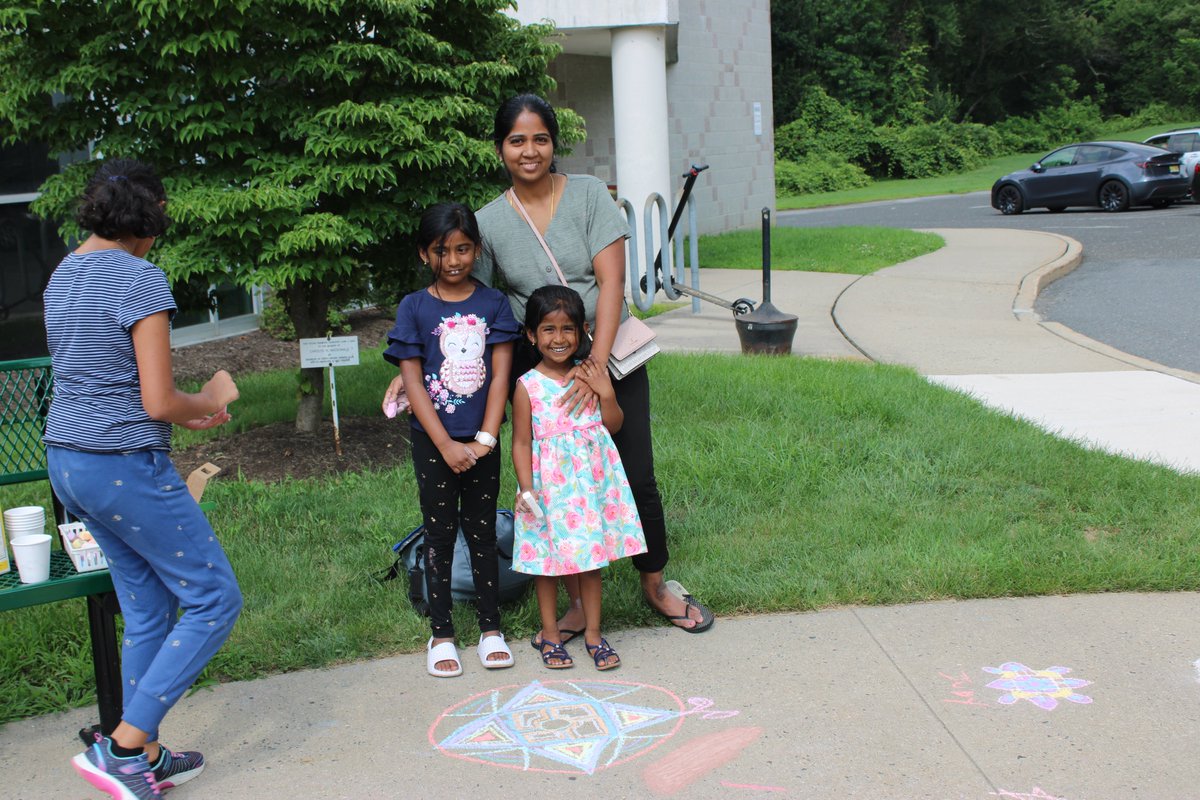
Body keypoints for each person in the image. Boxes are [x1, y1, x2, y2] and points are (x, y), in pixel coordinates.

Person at [476, 93, 714, 636]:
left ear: (553, 144)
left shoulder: (587, 195)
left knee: (636, 474)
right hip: (544, 371)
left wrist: (597, 366)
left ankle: (655, 583)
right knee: (559, 486)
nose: (529, 151)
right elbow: (480, 303)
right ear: (500, 148)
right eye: (517, 141)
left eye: (540, 139)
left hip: (608, 357)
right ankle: (580, 601)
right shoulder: (488, 222)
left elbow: (611, 282)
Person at [43, 158, 242, 800]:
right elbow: (158, 401)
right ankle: (123, 748)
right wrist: (209, 399)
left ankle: (146, 754)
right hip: (121, 466)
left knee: (149, 607)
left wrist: (185, 411)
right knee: (215, 598)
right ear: (150, 218)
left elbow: (104, 379)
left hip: (67, 462)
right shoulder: (139, 278)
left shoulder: (63, 273)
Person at [382, 202, 519, 678]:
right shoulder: (414, 307)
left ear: (476, 250)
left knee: (482, 532)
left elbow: (500, 377)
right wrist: (444, 445)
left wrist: (485, 439)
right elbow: (414, 383)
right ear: (425, 253)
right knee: (439, 535)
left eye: (463, 249)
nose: (454, 260)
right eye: (442, 251)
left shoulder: (494, 304)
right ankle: (441, 634)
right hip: (433, 443)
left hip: (482, 443)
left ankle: (490, 629)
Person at [511, 286, 647, 670]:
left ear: (583, 330)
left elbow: (613, 425)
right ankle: (550, 635)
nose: (559, 338)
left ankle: (593, 635)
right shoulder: (527, 386)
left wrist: (607, 393)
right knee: (547, 563)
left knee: (591, 561)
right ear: (531, 335)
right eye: (548, 329)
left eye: (567, 329)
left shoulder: (590, 376)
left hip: (589, 488)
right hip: (547, 489)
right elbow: (521, 442)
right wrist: (526, 488)